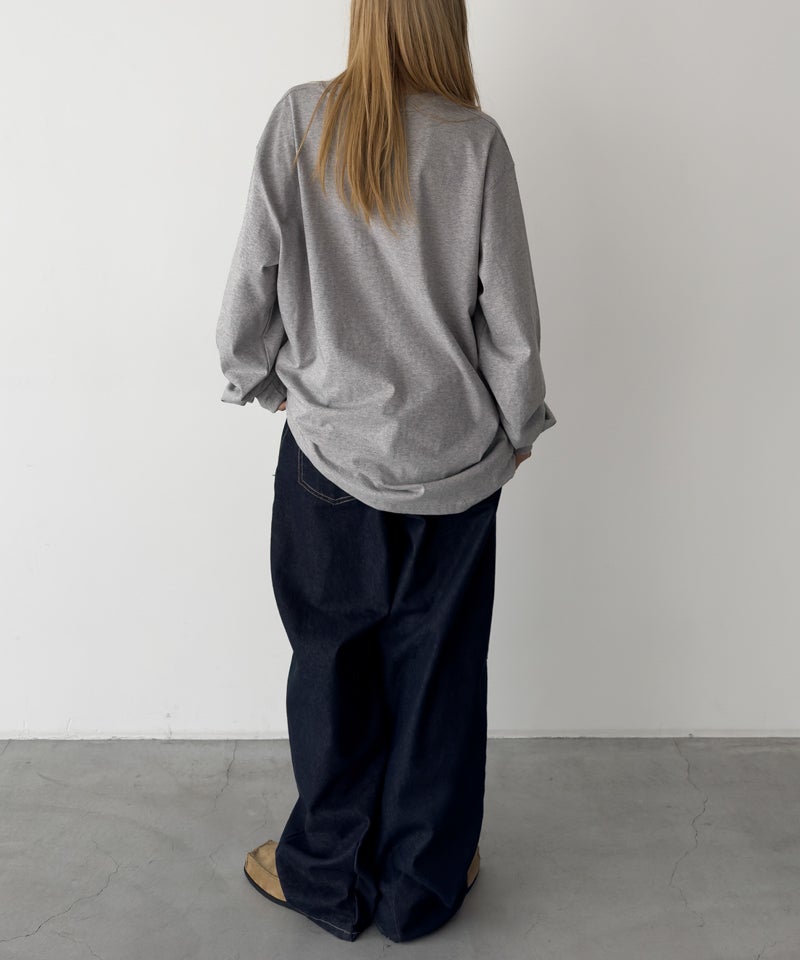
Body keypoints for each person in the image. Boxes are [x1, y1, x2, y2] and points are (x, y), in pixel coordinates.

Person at [215, 0, 556, 944]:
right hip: (455, 467)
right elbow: (510, 318)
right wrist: (520, 425)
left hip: (329, 458)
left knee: (332, 666)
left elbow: (251, 278)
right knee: (439, 677)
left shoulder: (301, 118)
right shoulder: (476, 143)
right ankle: (421, 883)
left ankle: (325, 873)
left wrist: (256, 381)